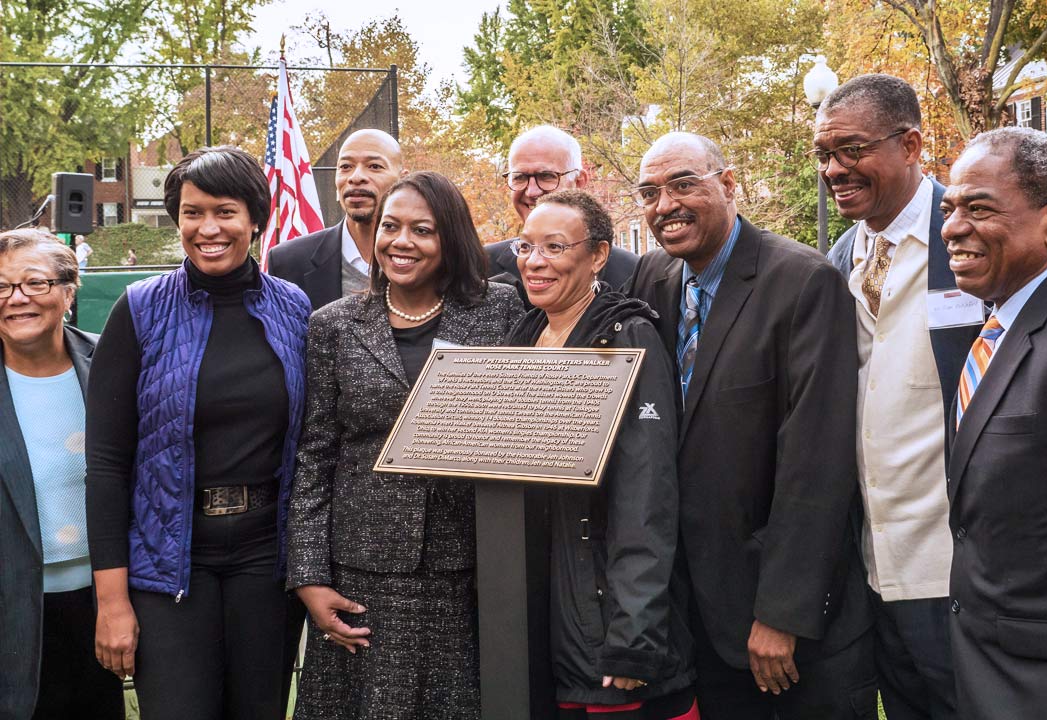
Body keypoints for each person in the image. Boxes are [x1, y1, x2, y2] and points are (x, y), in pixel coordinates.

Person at [624, 132, 875, 720]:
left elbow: (817, 460)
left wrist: (782, 613)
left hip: (782, 619)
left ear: (728, 185)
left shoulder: (802, 281)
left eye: (684, 184)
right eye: (650, 192)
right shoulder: (652, 280)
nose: (665, 206)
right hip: (691, 610)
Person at [287, 171, 524, 719]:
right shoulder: (335, 325)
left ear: (451, 240)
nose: (402, 241)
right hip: (361, 572)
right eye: (391, 227)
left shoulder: (499, 311)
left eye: (423, 230)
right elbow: (315, 454)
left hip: (468, 569)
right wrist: (309, 577)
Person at [85, 146, 311, 720]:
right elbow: (108, 464)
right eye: (192, 212)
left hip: (266, 559)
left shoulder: (294, 311)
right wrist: (112, 602)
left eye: (225, 212)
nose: (208, 228)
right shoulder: (139, 310)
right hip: (168, 564)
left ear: (255, 219)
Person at [814, 74, 979, 720]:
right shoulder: (837, 260)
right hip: (872, 577)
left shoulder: (971, 245)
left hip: (962, 574)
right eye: (825, 154)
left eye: (852, 150)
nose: (834, 169)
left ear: (910, 145)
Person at [505, 190, 698, 719]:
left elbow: (647, 493)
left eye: (554, 246)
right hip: (541, 616)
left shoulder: (626, 337)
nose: (535, 261)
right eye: (525, 246)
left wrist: (633, 634)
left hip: (605, 621)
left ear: (597, 256)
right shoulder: (522, 336)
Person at [940, 127, 1047, 720]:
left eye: (979, 208)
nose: (951, 227)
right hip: (990, 673)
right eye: (949, 209)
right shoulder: (1005, 326)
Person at [0, 229, 123, 720]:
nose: (17, 299)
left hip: (103, 603)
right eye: (2, 287)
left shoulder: (113, 363)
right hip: (12, 608)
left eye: (35, 283)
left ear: (69, 293)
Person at [267, 128, 406, 311]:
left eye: (374, 166)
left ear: (403, 180)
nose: (356, 177)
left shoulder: (432, 259)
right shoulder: (288, 262)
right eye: (345, 167)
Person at [486, 125, 638, 290]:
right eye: (519, 177)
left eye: (546, 176)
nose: (531, 191)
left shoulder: (633, 274)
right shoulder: (482, 266)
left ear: (579, 182)